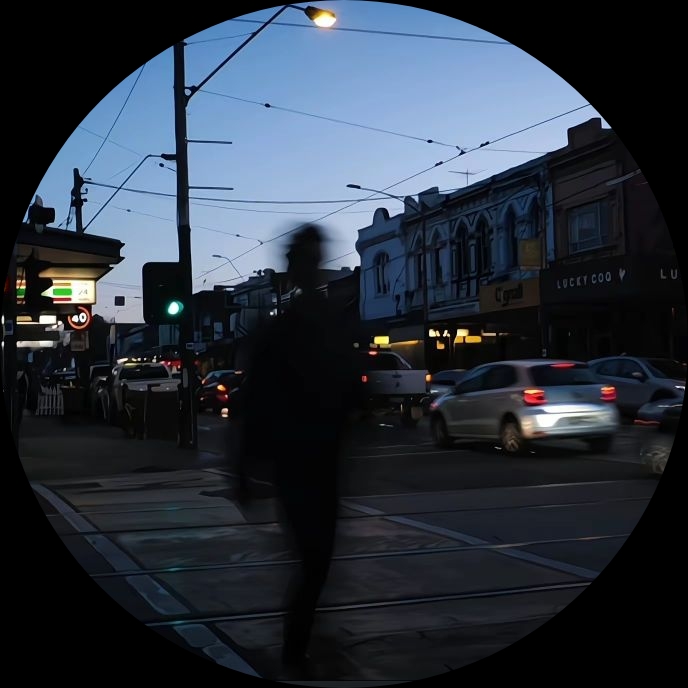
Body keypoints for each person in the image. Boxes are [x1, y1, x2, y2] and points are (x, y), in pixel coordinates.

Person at [235, 224, 358, 676]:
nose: (310, 267)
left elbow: (349, 389)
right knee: (313, 558)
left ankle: (302, 640)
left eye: (313, 259)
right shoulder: (286, 330)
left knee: (316, 558)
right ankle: (297, 647)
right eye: (305, 259)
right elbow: (254, 403)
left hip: (321, 460)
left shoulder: (328, 323)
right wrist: (243, 469)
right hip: (299, 461)